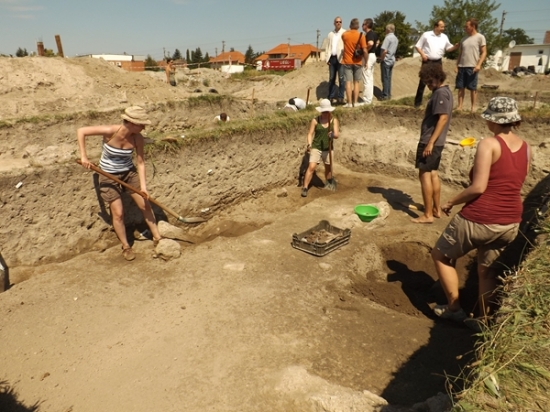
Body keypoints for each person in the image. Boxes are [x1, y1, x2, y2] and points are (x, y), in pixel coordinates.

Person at [431, 97, 530, 326]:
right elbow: (512, 181)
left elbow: (478, 187)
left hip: (480, 218)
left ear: (493, 120)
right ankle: (483, 320)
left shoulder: (489, 144)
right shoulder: (527, 148)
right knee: (487, 271)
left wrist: (451, 202)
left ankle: (454, 308)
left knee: (440, 255)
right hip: (510, 222)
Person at [77, 106, 162, 261]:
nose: (143, 128)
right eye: (141, 125)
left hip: (129, 173)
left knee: (145, 204)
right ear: (131, 123)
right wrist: (84, 157)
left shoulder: (137, 138)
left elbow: (140, 163)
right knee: (118, 213)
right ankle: (126, 246)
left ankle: (157, 238)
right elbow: (81, 131)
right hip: (108, 175)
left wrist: (143, 187)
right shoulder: (111, 131)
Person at [411, 63, 453, 224]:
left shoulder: (440, 94)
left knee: (424, 175)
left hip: (430, 141)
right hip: (436, 141)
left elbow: (443, 118)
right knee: (433, 173)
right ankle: (436, 209)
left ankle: (428, 214)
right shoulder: (445, 92)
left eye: (430, 81)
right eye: (426, 82)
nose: (428, 85)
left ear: (438, 77)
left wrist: (430, 143)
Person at [414, 20, 459, 108]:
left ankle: (435, 102)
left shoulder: (444, 37)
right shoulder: (426, 35)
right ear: (436, 26)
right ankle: (417, 103)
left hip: (438, 62)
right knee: (423, 81)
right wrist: (422, 54)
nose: (443, 28)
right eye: (441, 27)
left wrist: (455, 47)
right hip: (427, 61)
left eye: (443, 27)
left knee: (437, 82)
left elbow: (448, 48)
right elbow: (417, 46)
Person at [301, 99, 339, 197]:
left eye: (327, 111)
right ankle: (305, 187)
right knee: (311, 167)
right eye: (323, 112)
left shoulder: (333, 120)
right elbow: (310, 134)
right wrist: (309, 144)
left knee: (328, 168)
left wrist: (332, 135)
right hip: (316, 147)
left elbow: (336, 135)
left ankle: (329, 183)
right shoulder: (315, 121)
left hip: (328, 148)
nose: (325, 113)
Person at [456, 18, 487, 112]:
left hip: (472, 66)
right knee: (460, 87)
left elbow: (484, 52)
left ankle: (473, 107)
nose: (465, 28)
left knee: (472, 88)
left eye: (467, 26)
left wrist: (478, 65)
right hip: (462, 66)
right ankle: (459, 107)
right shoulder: (463, 39)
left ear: (473, 26)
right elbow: (460, 54)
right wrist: (457, 65)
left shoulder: (480, 37)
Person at [341, 18, 368, 107]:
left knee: (348, 82)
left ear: (350, 25)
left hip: (347, 61)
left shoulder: (344, 35)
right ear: (358, 26)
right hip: (358, 61)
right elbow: (365, 50)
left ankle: (349, 103)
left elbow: (343, 41)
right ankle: (355, 102)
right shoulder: (361, 35)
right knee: (356, 82)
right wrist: (366, 61)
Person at [325, 16, 346, 105]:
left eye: (340, 22)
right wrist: (327, 58)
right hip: (332, 58)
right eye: (337, 22)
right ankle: (331, 97)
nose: (338, 23)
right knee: (331, 78)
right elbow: (327, 46)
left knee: (341, 78)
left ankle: (340, 97)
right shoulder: (330, 34)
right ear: (334, 23)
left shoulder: (344, 33)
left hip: (341, 58)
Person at [360, 18, 378, 105]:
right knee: (370, 78)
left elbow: (370, 43)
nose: (362, 26)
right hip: (373, 55)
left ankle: (366, 100)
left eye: (363, 24)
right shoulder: (374, 33)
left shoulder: (369, 34)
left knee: (366, 78)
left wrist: (364, 50)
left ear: (366, 25)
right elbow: (377, 42)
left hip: (369, 56)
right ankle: (369, 99)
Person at [379, 24, 398, 101]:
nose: (385, 30)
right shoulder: (395, 38)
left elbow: (384, 50)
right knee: (389, 78)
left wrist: (381, 58)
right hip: (392, 59)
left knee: (385, 78)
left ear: (388, 30)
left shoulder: (387, 38)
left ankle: (385, 95)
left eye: (386, 29)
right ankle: (389, 94)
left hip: (386, 60)